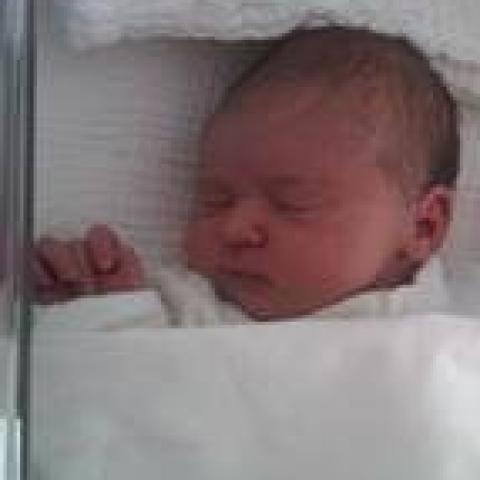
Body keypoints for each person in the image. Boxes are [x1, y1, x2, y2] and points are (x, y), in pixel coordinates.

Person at [33, 26, 459, 326]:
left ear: (423, 225)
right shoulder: (187, 309)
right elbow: (138, 384)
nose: (234, 228)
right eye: (213, 201)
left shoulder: (448, 336)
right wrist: (98, 306)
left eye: (291, 204)